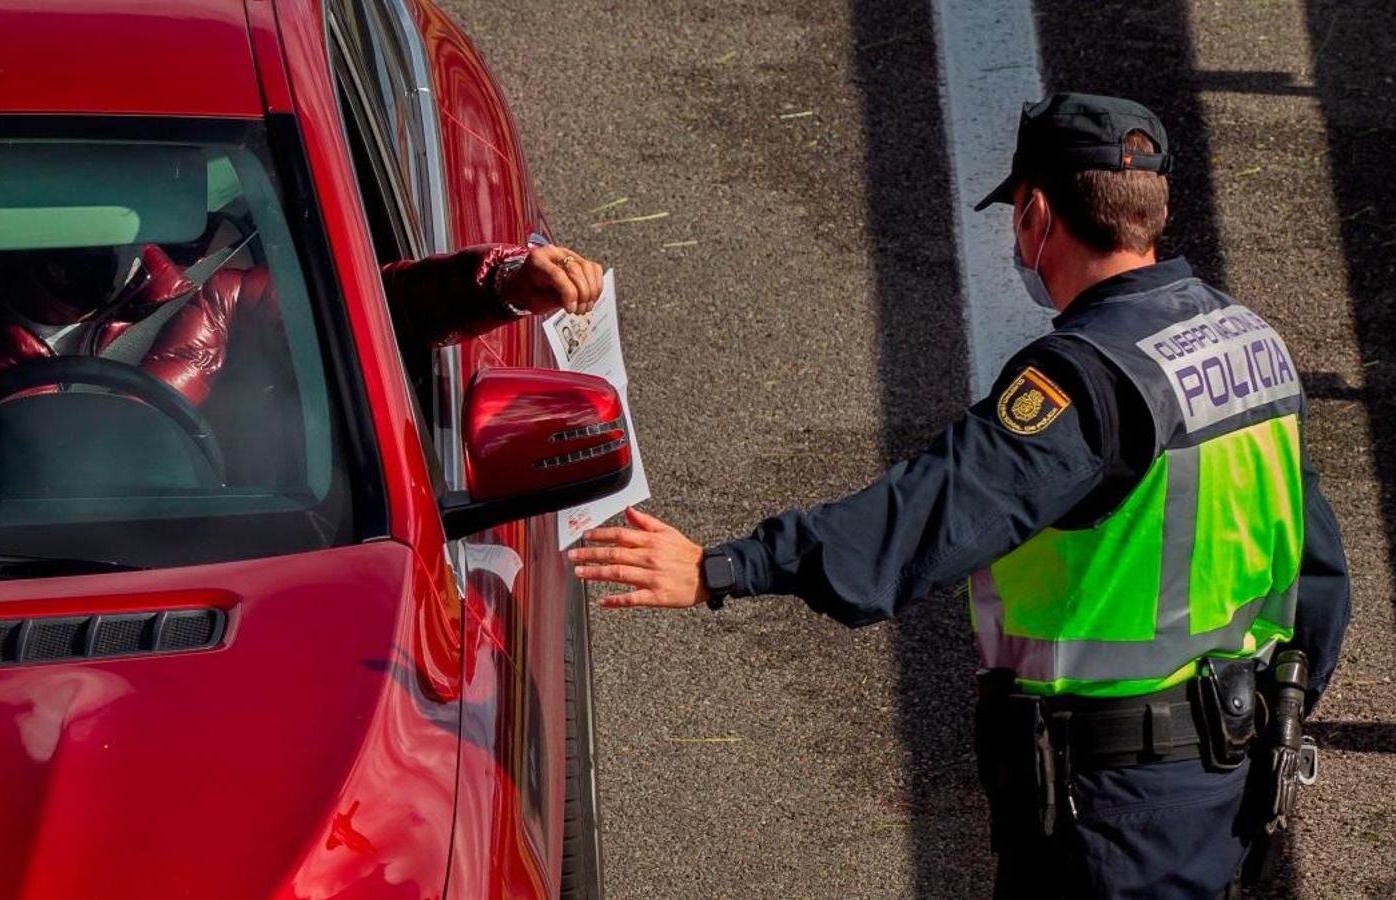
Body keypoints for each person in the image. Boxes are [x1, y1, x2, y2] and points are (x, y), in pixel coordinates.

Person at [568, 94, 1352, 898]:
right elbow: (1319, 576)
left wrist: (726, 567)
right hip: (1224, 775)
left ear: (1037, 216)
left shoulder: (1087, 380)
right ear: (1156, 209)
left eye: (1017, 210)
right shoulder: (1249, 342)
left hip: (1115, 809)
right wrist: (1261, 721)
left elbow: (934, 511)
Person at [0, 240, 603, 458]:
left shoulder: (208, 298)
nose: (95, 256)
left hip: (187, 555)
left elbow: (372, 309)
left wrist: (498, 283)